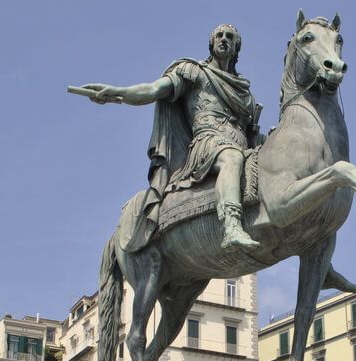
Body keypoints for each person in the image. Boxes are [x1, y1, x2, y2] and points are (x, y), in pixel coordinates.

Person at [81, 24, 262, 251]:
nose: (224, 39)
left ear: (236, 47)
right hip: (208, 144)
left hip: (241, 146)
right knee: (231, 158)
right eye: (219, 35)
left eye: (230, 37)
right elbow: (153, 90)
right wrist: (117, 94)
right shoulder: (194, 71)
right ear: (211, 42)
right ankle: (232, 225)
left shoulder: (244, 92)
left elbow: (251, 133)